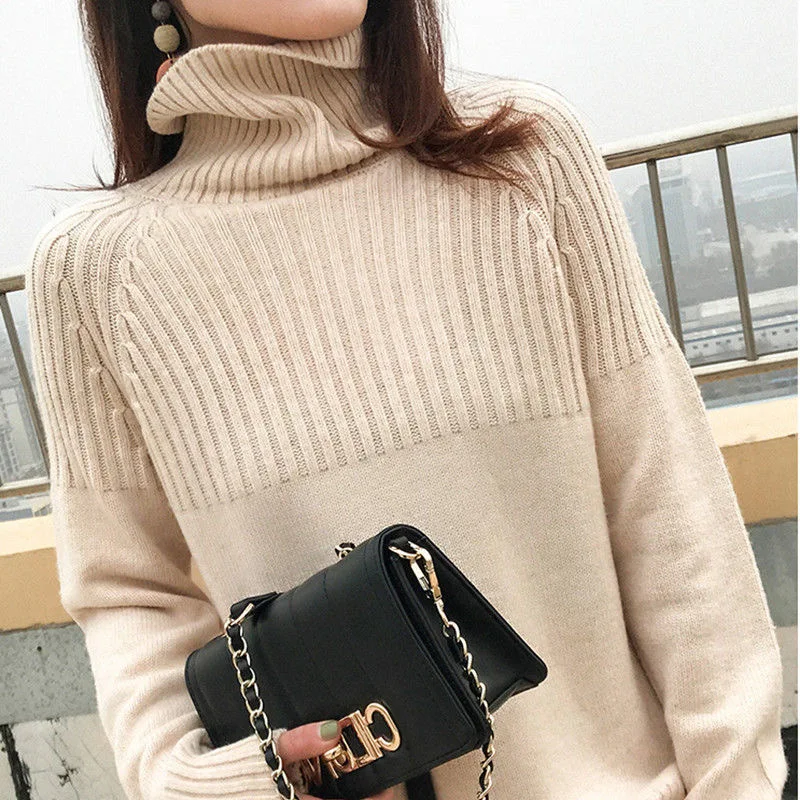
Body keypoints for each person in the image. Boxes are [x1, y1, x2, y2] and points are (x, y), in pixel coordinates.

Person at [24, 0, 788, 798]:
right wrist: (211, 781)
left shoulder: (524, 159)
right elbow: (129, 592)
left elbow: (671, 513)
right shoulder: (96, 276)